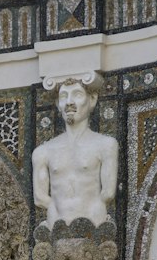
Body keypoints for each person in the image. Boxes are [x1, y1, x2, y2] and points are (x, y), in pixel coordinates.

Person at [31, 73, 118, 227]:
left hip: (94, 222)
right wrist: (55, 210)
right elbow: (39, 197)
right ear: (58, 103)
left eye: (77, 95)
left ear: (92, 100)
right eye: (63, 96)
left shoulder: (105, 145)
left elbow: (108, 192)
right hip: (55, 225)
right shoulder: (43, 152)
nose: (69, 102)